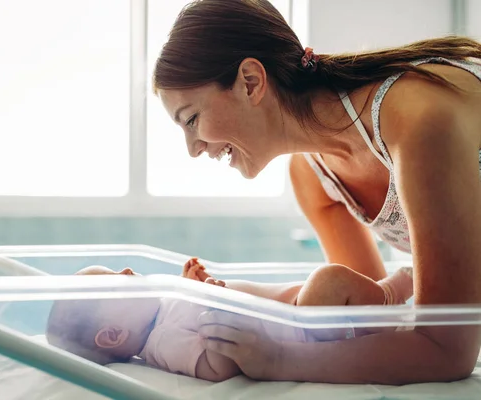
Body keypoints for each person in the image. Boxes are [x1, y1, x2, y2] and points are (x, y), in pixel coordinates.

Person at [151, 0, 481, 385]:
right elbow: (367, 317)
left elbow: (447, 351)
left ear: (251, 82)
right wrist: (228, 298)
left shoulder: (417, 121)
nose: (193, 149)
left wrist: (281, 361)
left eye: (192, 119)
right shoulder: (311, 175)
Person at [45, 258, 413, 382]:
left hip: (295, 312)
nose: (126, 269)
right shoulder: (162, 343)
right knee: (330, 281)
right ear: (112, 335)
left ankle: (388, 311)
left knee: (328, 286)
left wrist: (195, 287)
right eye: (116, 279)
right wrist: (217, 309)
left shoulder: (162, 312)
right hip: (301, 331)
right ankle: (393, 296)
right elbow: (217, 367)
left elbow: (192, 309)